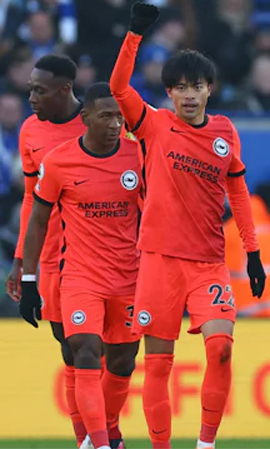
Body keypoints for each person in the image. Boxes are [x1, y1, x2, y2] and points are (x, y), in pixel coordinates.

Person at [109, 3, 266, 448]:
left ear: (209, 89)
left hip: (208, 263)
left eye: (196, 86)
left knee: (221, 348)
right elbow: (118, 86)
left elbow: (238, 191)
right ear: (170, 94)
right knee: (157, 363)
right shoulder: (153, 126)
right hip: (159, 262)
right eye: (180, 88)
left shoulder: (225, 132)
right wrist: (135, 34)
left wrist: (252, 251)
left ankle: (205, 444)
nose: (189, 95)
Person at [19, 82, 142, 449]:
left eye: (120, 117)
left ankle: (104, 430)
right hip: (80, 277)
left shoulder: (138, 157)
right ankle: (100, 445)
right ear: (86, 117)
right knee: (84, 351)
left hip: (130, 278)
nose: (115, 124)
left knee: (122, 363)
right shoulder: (59, 161)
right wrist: (28, 278)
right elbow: (38, 219)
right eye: (106, 116)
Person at [4, 54, 88, 445]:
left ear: (64, 89)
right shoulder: (29, 132)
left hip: (97, 255)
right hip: (50, 254)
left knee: (99, 353)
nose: (32, 97)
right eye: (30, 89)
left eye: (39, 90)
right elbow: (29, 200)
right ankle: (89, 439)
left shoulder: (96, 121)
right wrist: (22, 259)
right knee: (71, 351)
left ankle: (104, 435)